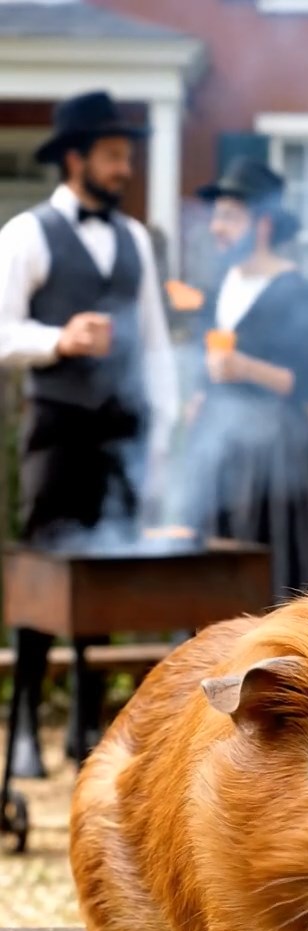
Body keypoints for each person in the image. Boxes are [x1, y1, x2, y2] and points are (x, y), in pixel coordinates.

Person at [0, 90, 178, 777]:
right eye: (112, 155)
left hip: (122, 436)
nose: (124, 168)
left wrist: (160, 437)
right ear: (75, 159)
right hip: (56, 432)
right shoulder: (26, 234)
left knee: (105, 580)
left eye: (126, 155)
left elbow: (156, 345)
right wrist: (59, 339)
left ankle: (85, 728)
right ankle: (23, 728)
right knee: (41, 583)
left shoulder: (135, 240)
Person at [177, 157, 308, 602]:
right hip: (217, 448)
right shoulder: (218, 288)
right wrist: (199, 397)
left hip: (276, 455)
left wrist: (245, 368)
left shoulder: (296, 293)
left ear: (263, 224)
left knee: (274, 578)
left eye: (230, 216)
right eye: (216, 216)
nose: (217, 227)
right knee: (214, 574)